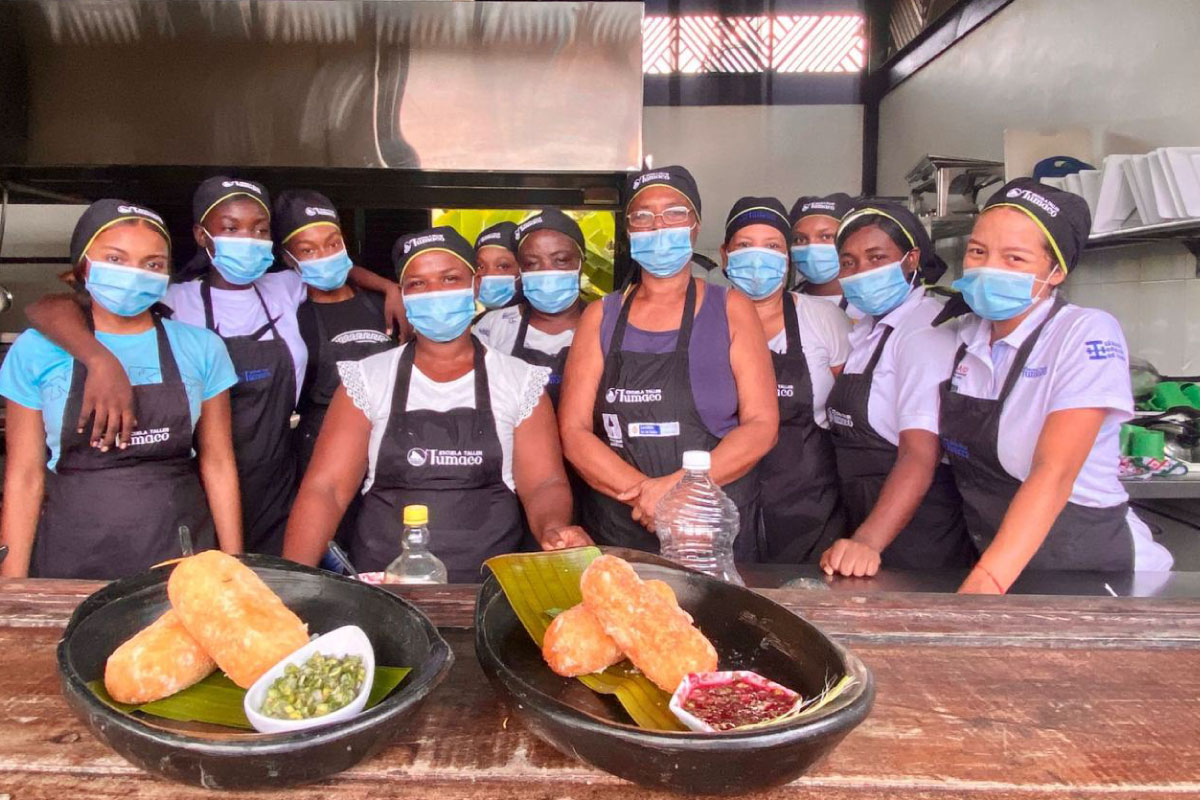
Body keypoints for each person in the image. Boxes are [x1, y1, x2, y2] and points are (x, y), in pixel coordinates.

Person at [24, 176, 406, 556]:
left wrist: (389, 287)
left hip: (277, 478)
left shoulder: (284, 288)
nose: (247, 239)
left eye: (259, 230)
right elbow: (50, 306)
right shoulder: (172, 296)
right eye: (231, 228)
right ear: (202, 235)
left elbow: (330, 265)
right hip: (202, 479)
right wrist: (97, 357)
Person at [282, 227, 590, 581]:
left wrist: (553, 528)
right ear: (403, 294)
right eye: (418, 283)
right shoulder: (367, 378)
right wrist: (292, 583)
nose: (435, 293)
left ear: (475, 284)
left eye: (449, 278)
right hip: (387, 588)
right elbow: (326, 490)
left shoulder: (519, 380)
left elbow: (544, 483)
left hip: (488, 590)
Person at [937, 178, 1172, 593]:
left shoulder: (1083, 332)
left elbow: (1054, 472)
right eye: (978, 252)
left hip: (1087, 564)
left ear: (1056, 271)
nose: (990, 268)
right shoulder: (965, 336)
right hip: (1005, 558)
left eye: (1014, 258)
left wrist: (987, 583)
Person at [0, 200, 241, 578]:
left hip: (179, 555)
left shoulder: (201, 347)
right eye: (115, 259)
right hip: (70, 552)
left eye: (153, 264)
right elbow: (25, 476)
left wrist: (235, 565)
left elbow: (219, 463)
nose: (134, 274)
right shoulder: (35, 350)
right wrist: (13, 586)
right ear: (83, 265)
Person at [559, 166, 778, 559]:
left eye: (674, 212)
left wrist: (678, 490)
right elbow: (574, 431)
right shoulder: (600, 316)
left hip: (708, 528)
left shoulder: (731, 309)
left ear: (695, 226)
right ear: (629, 230)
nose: (658, 225)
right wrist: (648, 496)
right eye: (643, 216)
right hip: (622, 526)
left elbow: (761, 425)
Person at [819, 201, 975, 577]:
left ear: (911, 259)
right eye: (849, 262)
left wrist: (868, 541)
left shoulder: (924, 329)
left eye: (877, 258)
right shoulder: (869, 328)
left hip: (918, 531)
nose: (862, 272)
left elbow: (920, 453)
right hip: (867, 514)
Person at [720, 197, 851, 563]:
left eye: (773, 246)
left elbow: (849, 411)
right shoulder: (704, 319)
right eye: (745, 245)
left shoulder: (824, 319)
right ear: (725, 255)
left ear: (788, 258)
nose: (758, 257)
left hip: (810, 506)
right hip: (725, 499)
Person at [275, 189, 395, 478]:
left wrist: (391, 287)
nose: (325, 256)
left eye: (333, 244)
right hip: (322, 443)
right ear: (288, 258)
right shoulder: (291, 315)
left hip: (389, 440)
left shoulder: (386, 305)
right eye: (308, 250)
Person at [474, 209, 585, 407]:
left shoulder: (606, 322)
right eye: (532, 263)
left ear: (581, 263)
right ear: (521, 270)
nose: (547, 271)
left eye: (561, 260)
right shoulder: (494, 326)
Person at [788, 193, 855, 312]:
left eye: (826, 236)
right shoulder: (784, 303)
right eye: (800, 239)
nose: (812, 247)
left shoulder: (869, 305)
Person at [474, 221, 522, 313]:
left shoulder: (539, 320)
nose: (488, 274)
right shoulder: (478, 321)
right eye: (480, 266)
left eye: (503, 266)